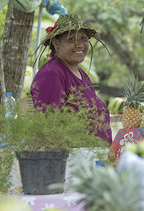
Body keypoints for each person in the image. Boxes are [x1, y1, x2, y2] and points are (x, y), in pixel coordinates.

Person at [31, 14, 112, 145]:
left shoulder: (81, 74)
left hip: (91, 159)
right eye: (71, 39)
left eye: (83, 38)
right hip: (71, 160)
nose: (79, 44)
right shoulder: (52, 74)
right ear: (56, 43)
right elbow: (47, 127)